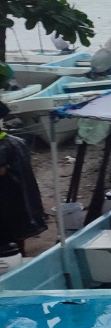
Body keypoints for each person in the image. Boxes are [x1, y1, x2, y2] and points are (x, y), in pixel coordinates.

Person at [0, 109, 46, 256]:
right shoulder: (18, 141)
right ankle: (20, 254)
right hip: (21, 194)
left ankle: (13, 258)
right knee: (18, 228)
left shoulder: (3, 146)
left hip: (6, 196)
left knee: (8, 232)